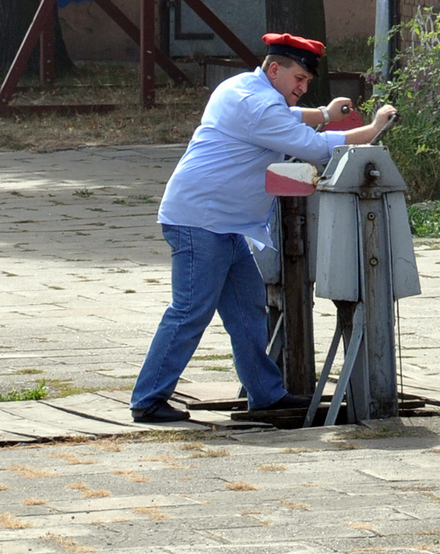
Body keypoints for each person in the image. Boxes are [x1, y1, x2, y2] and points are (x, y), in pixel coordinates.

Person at [129, 33, 398, 423]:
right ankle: (148, 400)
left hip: (223, 222)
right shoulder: (258, 107)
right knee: (190, 311)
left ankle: (267, 395)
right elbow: (317, 149)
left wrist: (323, 113)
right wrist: (373, 129)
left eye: (306, 82)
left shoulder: (243, 88)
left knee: (247, 311)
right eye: (298, 80)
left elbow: (290, 117)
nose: (302, 88)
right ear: (274, 69)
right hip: (200, 221)